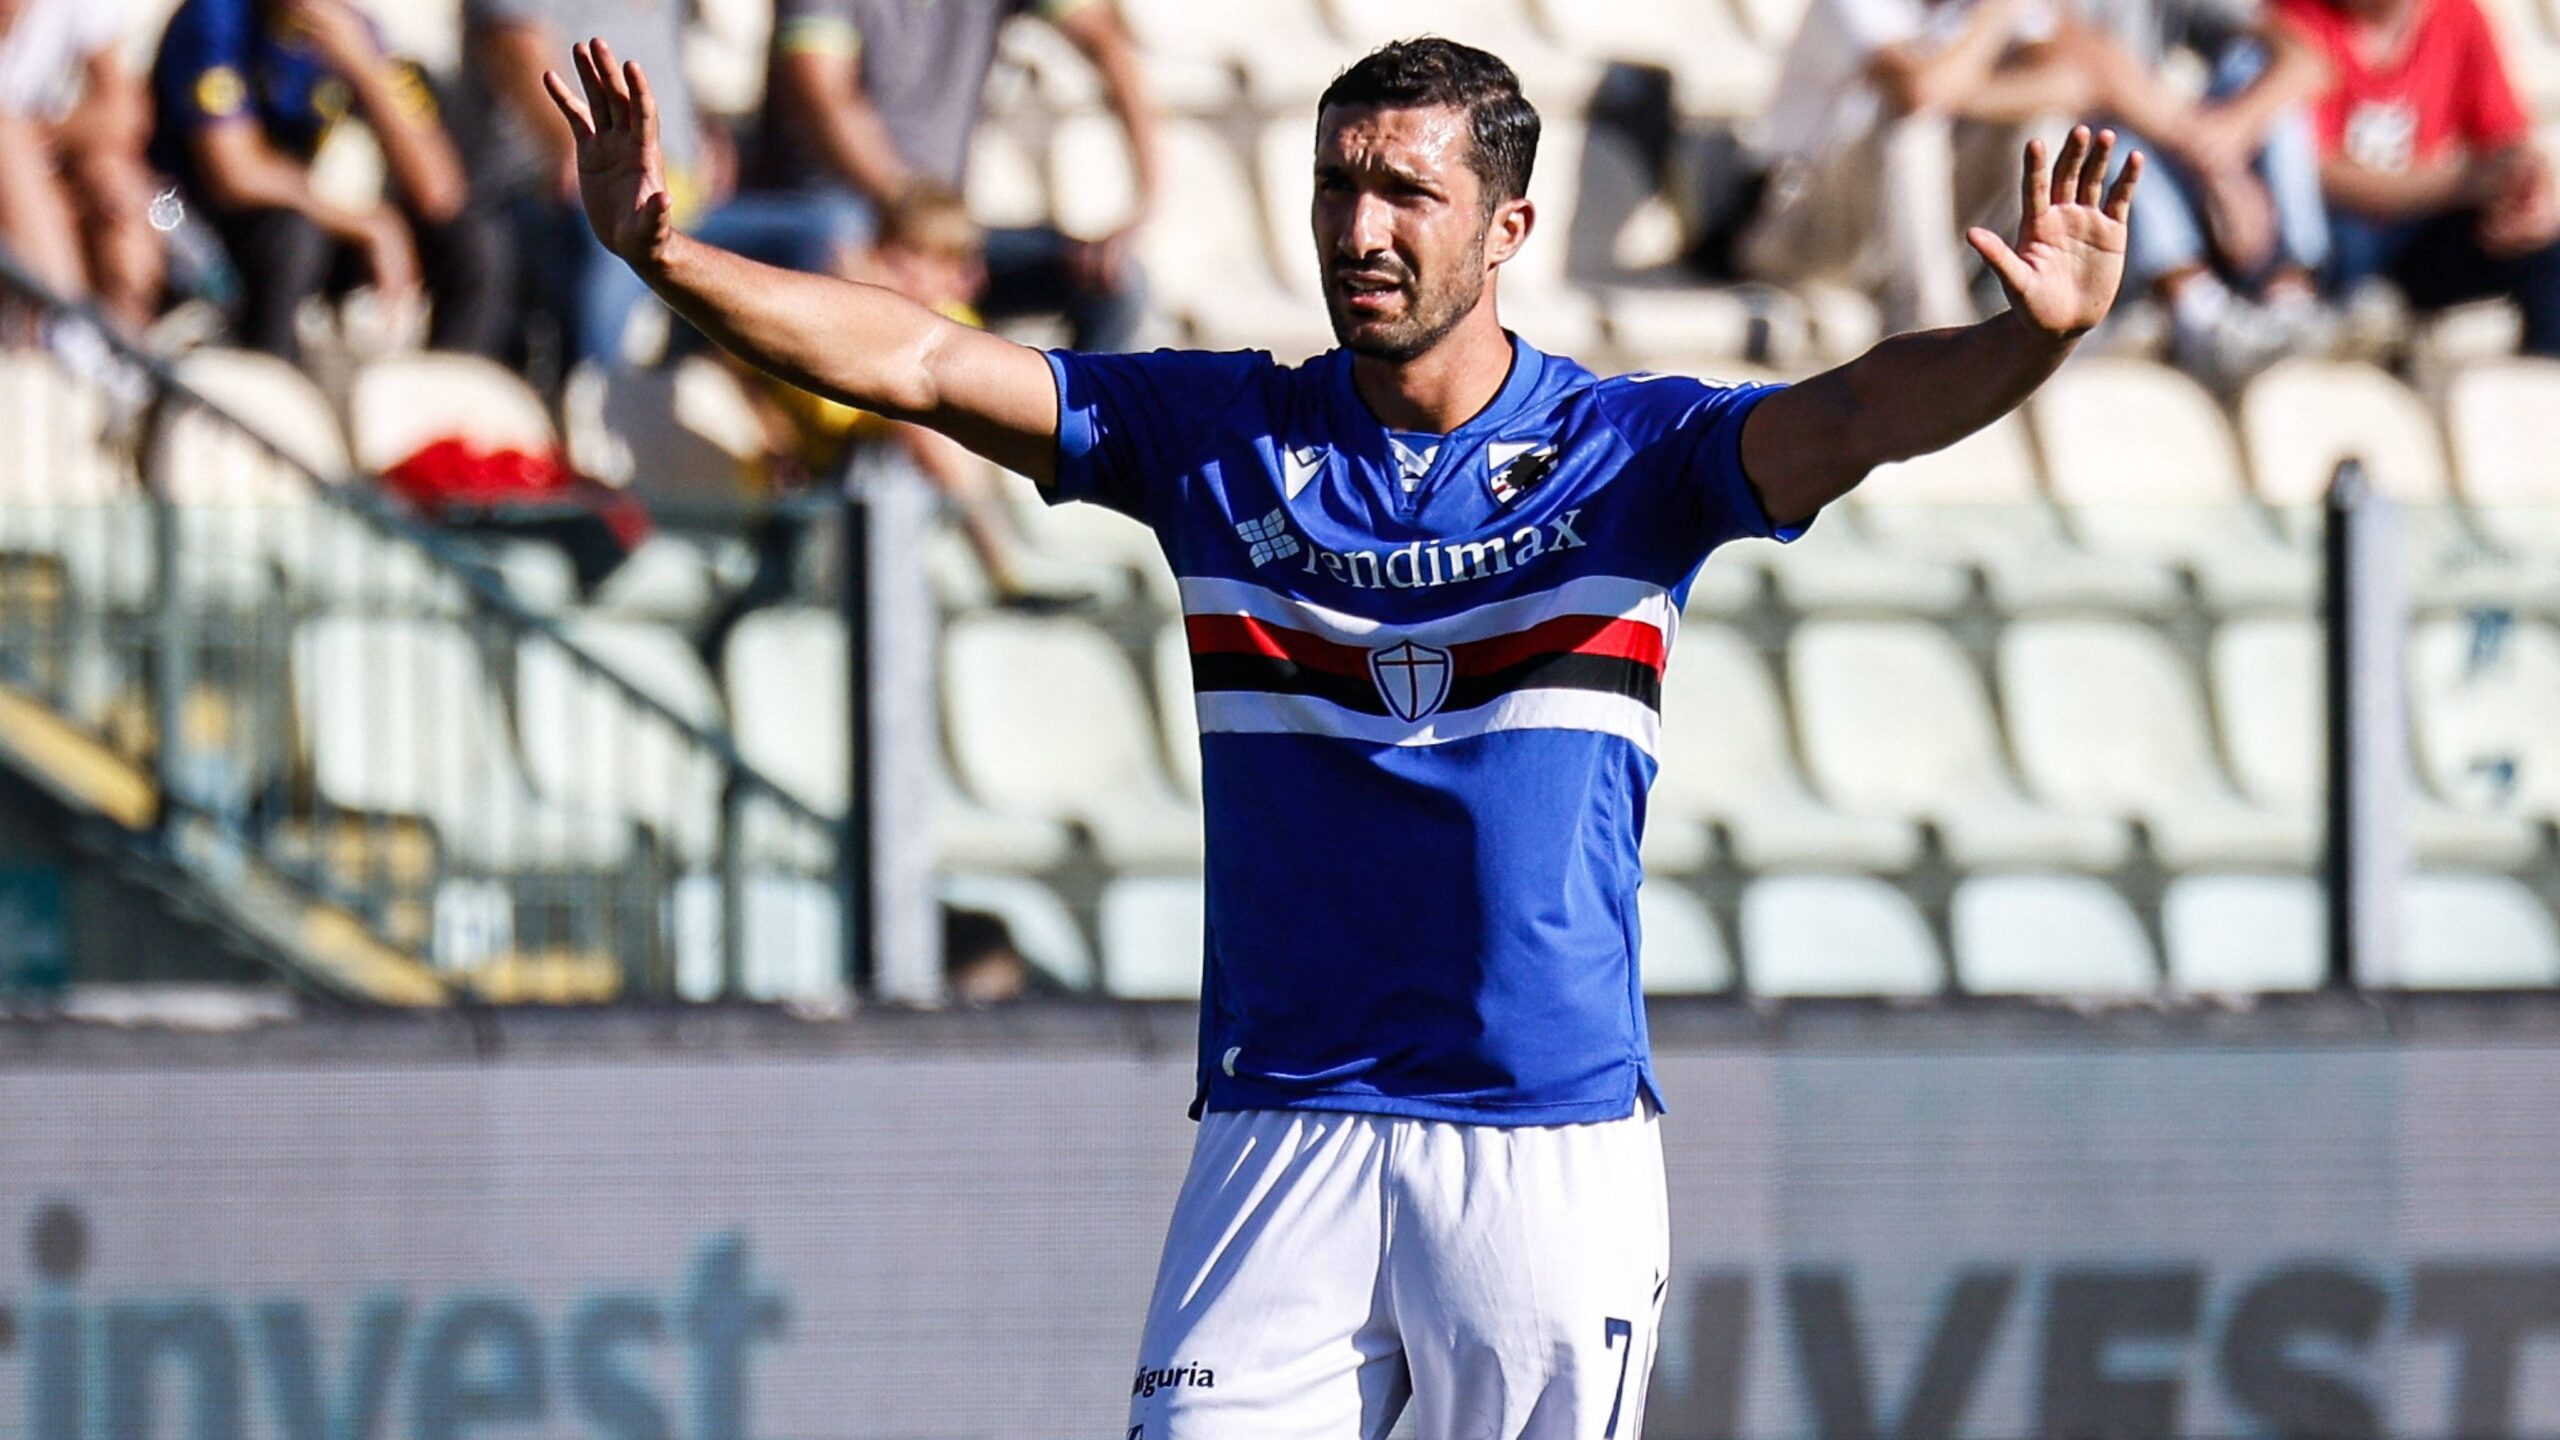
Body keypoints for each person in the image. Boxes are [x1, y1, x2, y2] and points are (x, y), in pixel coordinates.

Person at [545, 32, 2141, 1435]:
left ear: (1509, 228)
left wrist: (2031, 341)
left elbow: (1853, 415)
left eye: (1405, 194)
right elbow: (920, 357)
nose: (1359, 230)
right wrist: (668, 255)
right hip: (1281, 1125)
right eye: (1334, 186)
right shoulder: (1215, 436)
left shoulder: (1629, 456)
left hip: (1543, 1143)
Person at [735, 0, 1156, 352]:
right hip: (819, 221)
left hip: (934, 233)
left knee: (1114, 282)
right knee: (846, 247)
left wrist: (1145, 205)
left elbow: (1108, 40)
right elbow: (822, 93)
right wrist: (914, 219)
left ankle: (1086, 429)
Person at [149, 0, 506, 361]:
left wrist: (365, 69)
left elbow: (439, 191)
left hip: (320, 218)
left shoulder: (356, 31)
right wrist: (368, 224)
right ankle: (268, 370)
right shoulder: (217, 19)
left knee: (475, 243)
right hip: (203, 222)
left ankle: (450, 376)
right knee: (292, 236)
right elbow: (234, 174)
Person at [2275, 0, 2560, 355]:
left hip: (2424, 235)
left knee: (2543, 247)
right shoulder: (2297, 19)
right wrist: (2461, 182)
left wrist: (2531, 189)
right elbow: (2311, 171)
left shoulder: (2460, 15)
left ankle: (2544, 377)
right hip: (2340, 234)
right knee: (2328, 242)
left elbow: (2507, 137)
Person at [2073, 0, 2337, 382]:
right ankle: (2196, 309)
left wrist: (2233, 133)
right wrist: (2220, 169)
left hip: (2194, 165)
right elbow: (2098, 71)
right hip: (2065, 200)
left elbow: (2307, 63)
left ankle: (2289, 301)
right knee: (2106, 128)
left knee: (2252, 69)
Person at [0, 0, 162, 335]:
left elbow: (123, 114)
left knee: (112, 176)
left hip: (28, 163)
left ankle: (125, 336)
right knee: (8, 143)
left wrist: (40, 136)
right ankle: (63, 328)